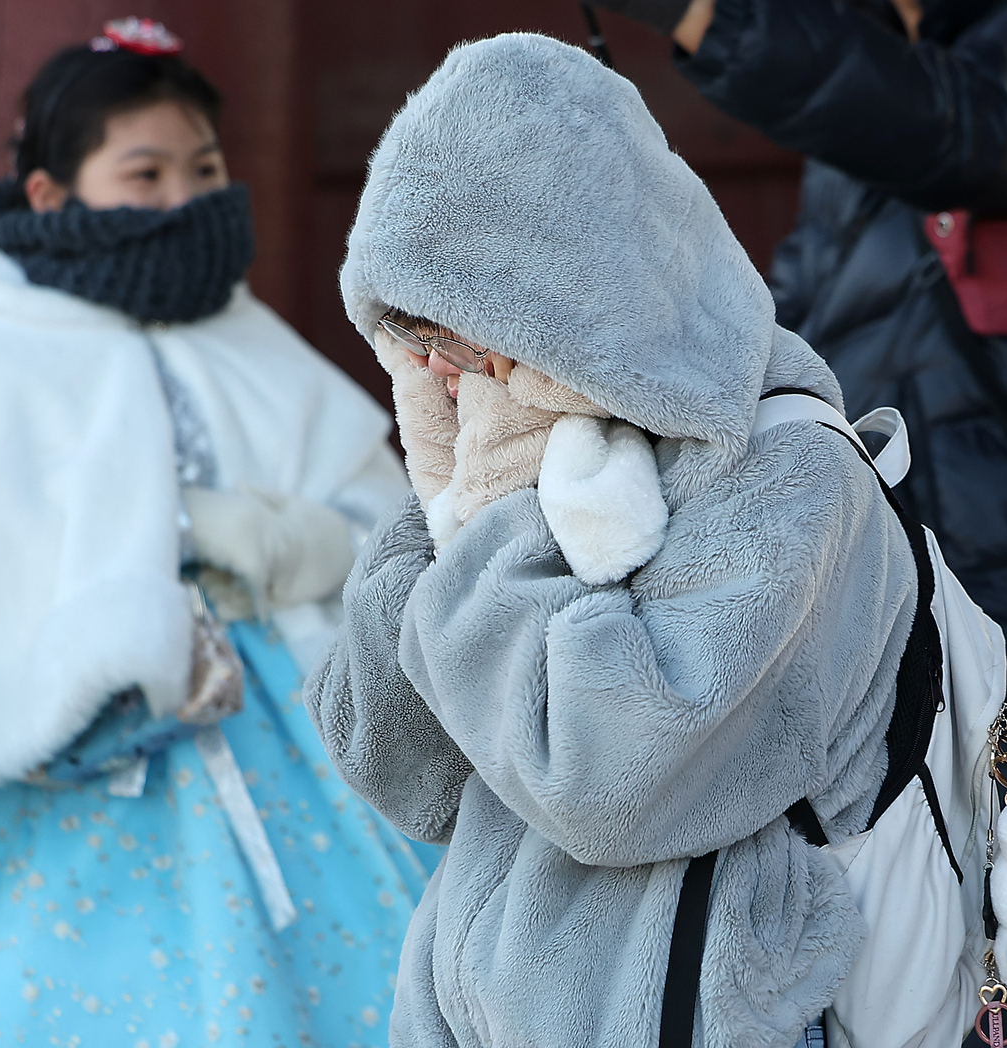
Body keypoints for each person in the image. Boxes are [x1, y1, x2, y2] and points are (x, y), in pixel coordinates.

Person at [0, 18, 435, 1047]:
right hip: (43, 757)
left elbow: (372, 510)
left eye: (204, 167)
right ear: (50, 193)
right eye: (143, 173)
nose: (183, 199)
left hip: (269, 718)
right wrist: (138, 558)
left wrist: (286, 540)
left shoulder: (231, 322)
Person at [306, 32, 924, 1048]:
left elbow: (608, 784)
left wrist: (497, 522)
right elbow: (399, 770)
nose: (446, 381)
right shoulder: (530, 453)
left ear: (562, 306)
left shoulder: (784, 476)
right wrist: (435, 516)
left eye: (456, 342)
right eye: (414, 349)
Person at [586, 0, 1007, 1039]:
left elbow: (961, 127)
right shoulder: (880, 89)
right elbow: (792, 325)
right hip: (917, 587)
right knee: (970, 953)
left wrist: (704, 20)